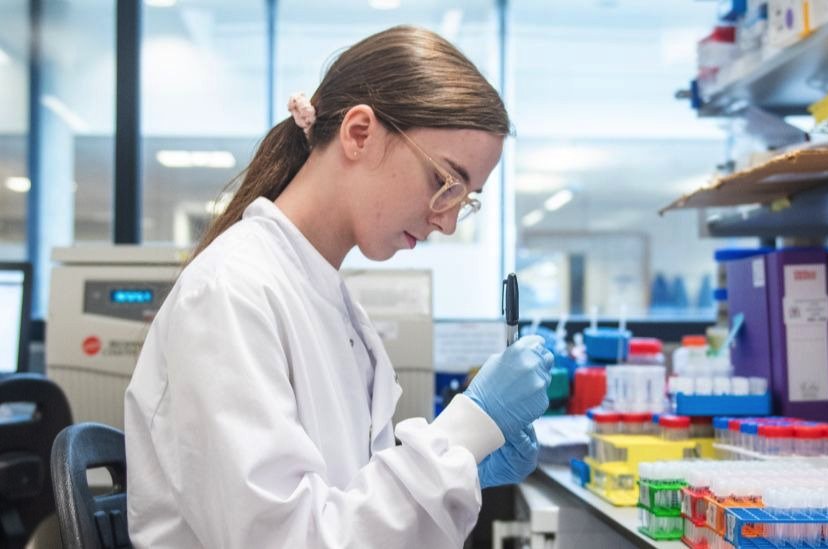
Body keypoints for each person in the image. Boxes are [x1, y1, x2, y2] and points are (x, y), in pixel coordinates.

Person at [124, 25, 553, 548]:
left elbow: (344, 499)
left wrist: (466, 465)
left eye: (465, 200)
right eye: (445, 181)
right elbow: (287, 540)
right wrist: (465, 429)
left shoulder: (322, 294)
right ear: (359, 133)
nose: (448, 223)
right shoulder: (230, 293)